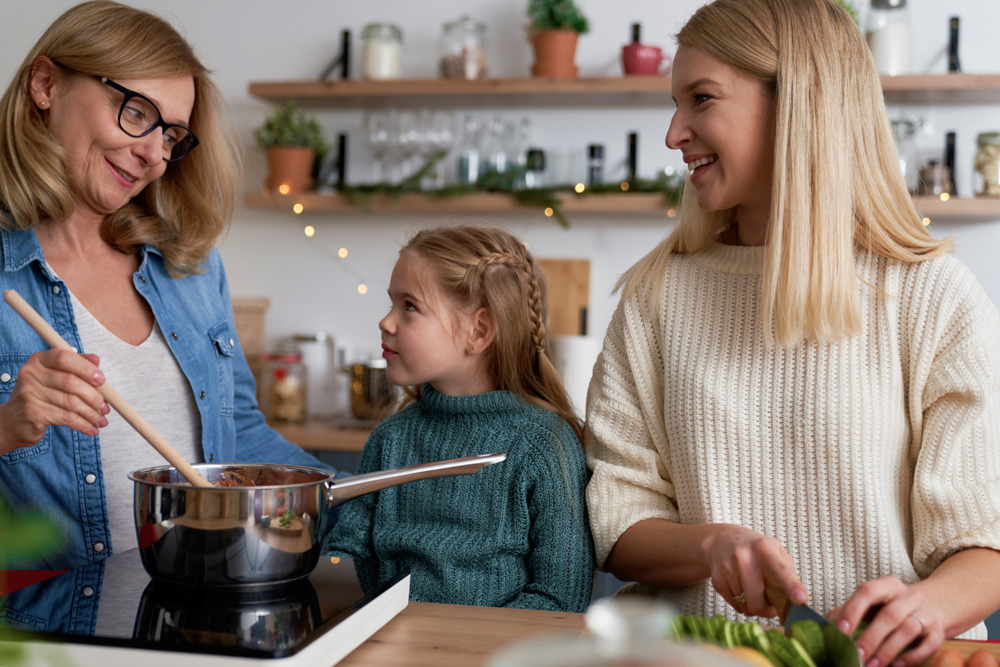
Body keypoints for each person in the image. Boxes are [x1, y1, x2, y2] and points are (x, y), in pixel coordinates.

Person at [584, 0, 1000, 665]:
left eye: (701, 99)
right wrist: (710, 544)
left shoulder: (932, 295)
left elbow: (986, 541)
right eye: (675, 101)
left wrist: (928, 606)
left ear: (797, 104)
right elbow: (617, 522)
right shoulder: (657, 297)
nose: (672, 133)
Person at [0, 1, 337, 571]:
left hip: (188, 622)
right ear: (45, 83)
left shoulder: (191, 267)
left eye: (172, 134)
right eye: (135, 112)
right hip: (48, 647)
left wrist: (371, 496)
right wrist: (7, 428)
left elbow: (242, 444)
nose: (154, 154)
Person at [325, 226, 594, 612]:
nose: (386, 322)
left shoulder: (545, 447)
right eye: (391, 304)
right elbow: (349, 552)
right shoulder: (390, 440)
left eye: (410, 306)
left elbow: (560, 597)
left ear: (478, 331)